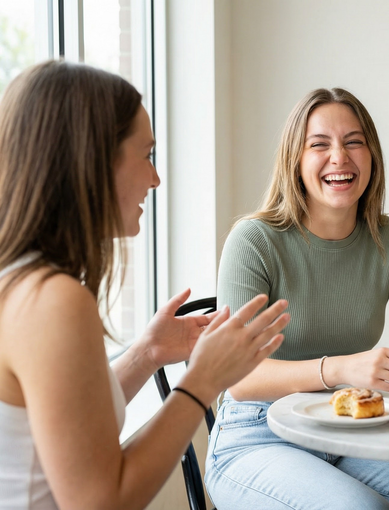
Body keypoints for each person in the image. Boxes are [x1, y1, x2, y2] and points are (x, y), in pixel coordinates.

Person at [0, 60, 291, 510]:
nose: (155, 179)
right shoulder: (52, 300)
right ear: (93, 162)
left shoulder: (20, 281)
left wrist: (145, 354)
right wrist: (203, 380)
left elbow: (62, 422)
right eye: (147, 155)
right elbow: (102, 500)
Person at [204, 88, 389, 510]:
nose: (339, 156)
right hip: (256, 434)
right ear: (295, 161)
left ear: (372, 155)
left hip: (345, 427)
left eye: (354, 141)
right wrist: (342, 369)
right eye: (319, 144)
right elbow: (240, 381)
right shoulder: (255, 241)